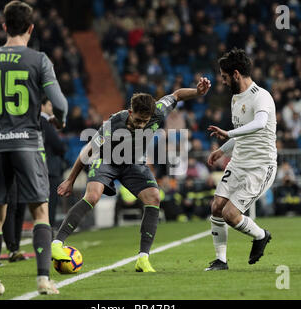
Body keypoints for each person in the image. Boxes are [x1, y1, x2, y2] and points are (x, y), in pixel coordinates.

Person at [0, 1, 68, 296]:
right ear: (31, 28)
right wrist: (61, 120)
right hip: (27, 144)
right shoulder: (39, 59)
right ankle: (44, 279)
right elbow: (59, 103)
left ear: (4, 26)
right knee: (41, 209)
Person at [52, 77, 211, 272]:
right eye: (137, 120)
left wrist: (197, 92)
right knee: (93, 196)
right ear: (130, 112)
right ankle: (57, 243)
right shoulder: (114, 122)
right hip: (107, 160)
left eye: (145, 122)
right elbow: (88, 151)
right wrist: (70, 179)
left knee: (154, 197)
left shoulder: (158, 111)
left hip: (133, 162)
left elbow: (176, 95)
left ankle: (143, 259)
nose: (141, 125)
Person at [205, 48, 276, 271]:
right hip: (238, 163)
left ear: (236, 74)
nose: (223, 82)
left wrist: (229, 133)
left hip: (259, 167)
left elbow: (260, 124)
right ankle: (221, 261)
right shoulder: (236, 98)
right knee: (216, 206)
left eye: (225, 77)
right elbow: (242, 132)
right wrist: (222, 151)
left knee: (230, 214)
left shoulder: (261, 96)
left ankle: (261, 235)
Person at [40, 97, 67, 229]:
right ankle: (47, 233)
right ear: (42, 106)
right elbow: (59, 146)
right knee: (50, 205)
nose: (52, 108)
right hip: (50, 169)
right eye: (50, 105)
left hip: (43, 168)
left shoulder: (39, 122)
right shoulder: (44, 122)